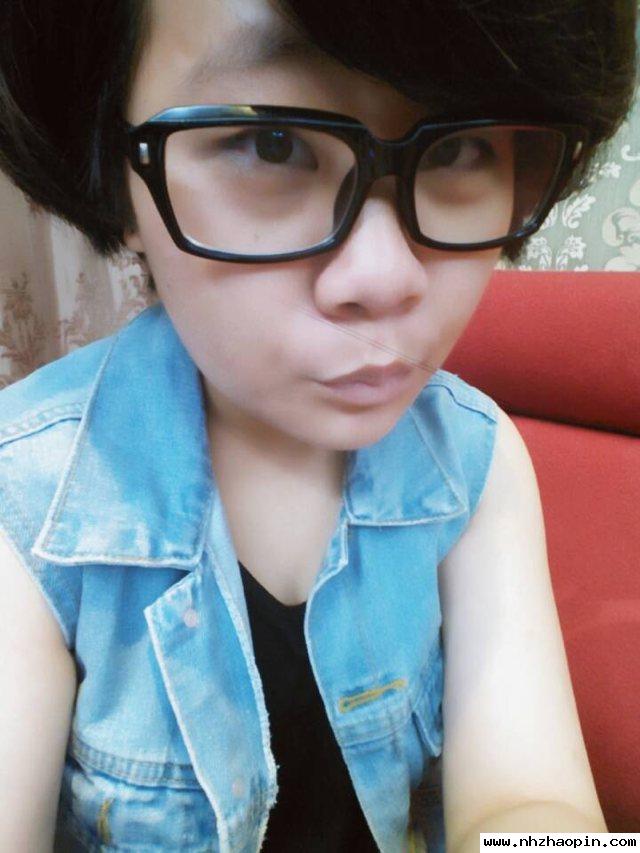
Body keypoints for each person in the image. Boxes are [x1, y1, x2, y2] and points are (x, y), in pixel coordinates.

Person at [0, 1, 636, 850]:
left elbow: (530, 804)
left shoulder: (474, 462)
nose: (385, 276)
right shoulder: (26, 504)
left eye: (460, 147)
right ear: (119, 176)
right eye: (271, 144)